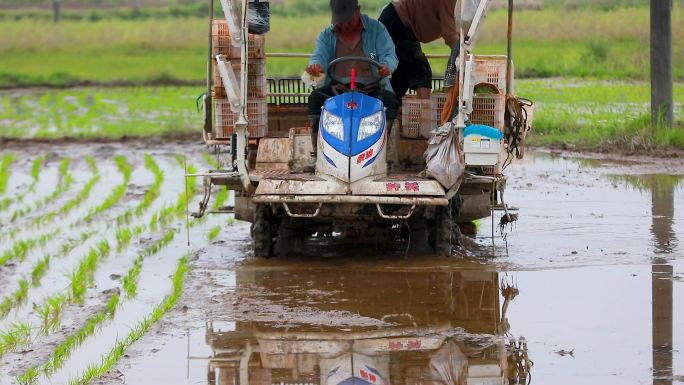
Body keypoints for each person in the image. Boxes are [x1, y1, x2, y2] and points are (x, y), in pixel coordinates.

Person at [306, 0, 399, 157]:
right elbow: (318, 56)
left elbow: (390, 55)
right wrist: (316, 66)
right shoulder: (326, 35)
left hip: (371, 89)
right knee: (316, 99)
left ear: (358, 10)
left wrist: (386, 66)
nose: (344, 24)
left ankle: (383, 154)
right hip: (338, 90)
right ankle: (319, 154)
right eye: (339, 20)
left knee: (389, 101)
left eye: (347, 19)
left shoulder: (377, 29)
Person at [378, 0, 459, 100]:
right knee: (422, 73)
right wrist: (462, 53)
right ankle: (423, 113)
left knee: (402, 77)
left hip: (399, 22)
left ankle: (389, 108)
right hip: (397, 21)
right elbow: (450, 35)